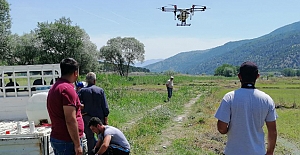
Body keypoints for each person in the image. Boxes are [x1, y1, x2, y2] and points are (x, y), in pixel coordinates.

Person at [214, 61, 277, 155]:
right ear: (257, 76)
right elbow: (272, 131)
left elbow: (221, 128)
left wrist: (228, 131)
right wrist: (270, 152)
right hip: (258, 152)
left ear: (239, 76)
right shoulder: (267, 99)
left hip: (233, 151)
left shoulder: (229, 97)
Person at [47, 58, 84, 155]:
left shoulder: (56, 87)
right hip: (67, 141)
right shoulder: (67, 89)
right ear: (75, 72)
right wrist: (77, 145)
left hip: (60, 138)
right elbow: (70, 120)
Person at [78, 72, 110, 155]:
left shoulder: (82, 91)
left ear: (87, 81)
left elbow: (78, 104)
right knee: (102, 137)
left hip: (87, 118)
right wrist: (105, 119)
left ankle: (92, 153)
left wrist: (82, 113)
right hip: (100, 118)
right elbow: (105, 107)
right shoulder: (100, 90)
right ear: (94, 81)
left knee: (89, 138)